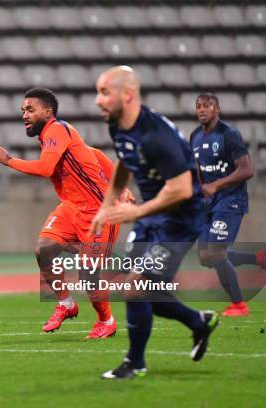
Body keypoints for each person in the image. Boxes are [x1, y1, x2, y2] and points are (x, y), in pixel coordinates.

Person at [91, 66, 219, 379]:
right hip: (151, 216)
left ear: (128, 94)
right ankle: (198, 322)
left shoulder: (155, 135)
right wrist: (106, 205)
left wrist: (134, 212)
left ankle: (135, 363)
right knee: (145, 293)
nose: (97, 100)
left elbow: (181, 189)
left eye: (104, 92)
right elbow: (124, 160)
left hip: (179, 219)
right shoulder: (119, 125)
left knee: (137, 288)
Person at [0, 87, 130, 339]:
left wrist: (8, 160)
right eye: (23, 110)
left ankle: (106, 320)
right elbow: (92, 152)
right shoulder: (56, 133)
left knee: (88, 274)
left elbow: (45, 168)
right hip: (71, 207)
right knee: (44, 249)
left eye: (30, 109)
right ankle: (65, 303)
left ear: (48, 111)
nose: (24, 115)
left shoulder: (56, 129)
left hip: (99, 211)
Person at [191, 93, 266, 317]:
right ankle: (259, 258)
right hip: (209, 202)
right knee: (205, 257)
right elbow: (198, 169)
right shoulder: (194, 136)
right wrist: (200, 191)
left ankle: (239, 305)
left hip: (231, 200)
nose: (202, 109)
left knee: (216, 252)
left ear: (217, 109)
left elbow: (246, 170)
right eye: (198, 106)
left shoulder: (229, 135)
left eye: (207, 105)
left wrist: (217, 185)